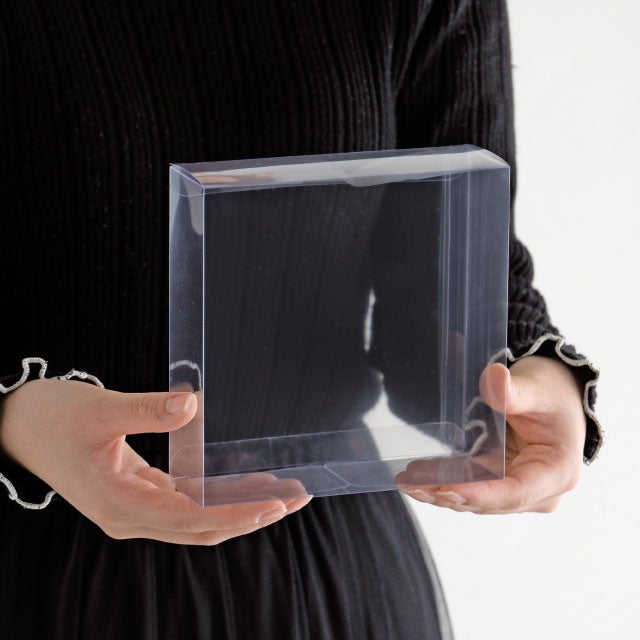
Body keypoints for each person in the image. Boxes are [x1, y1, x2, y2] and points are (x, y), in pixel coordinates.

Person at [0, 1, 601, 638]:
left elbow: (457, 264)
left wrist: (521, 380)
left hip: (324, 556)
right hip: (39, 556)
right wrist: (13, 417)